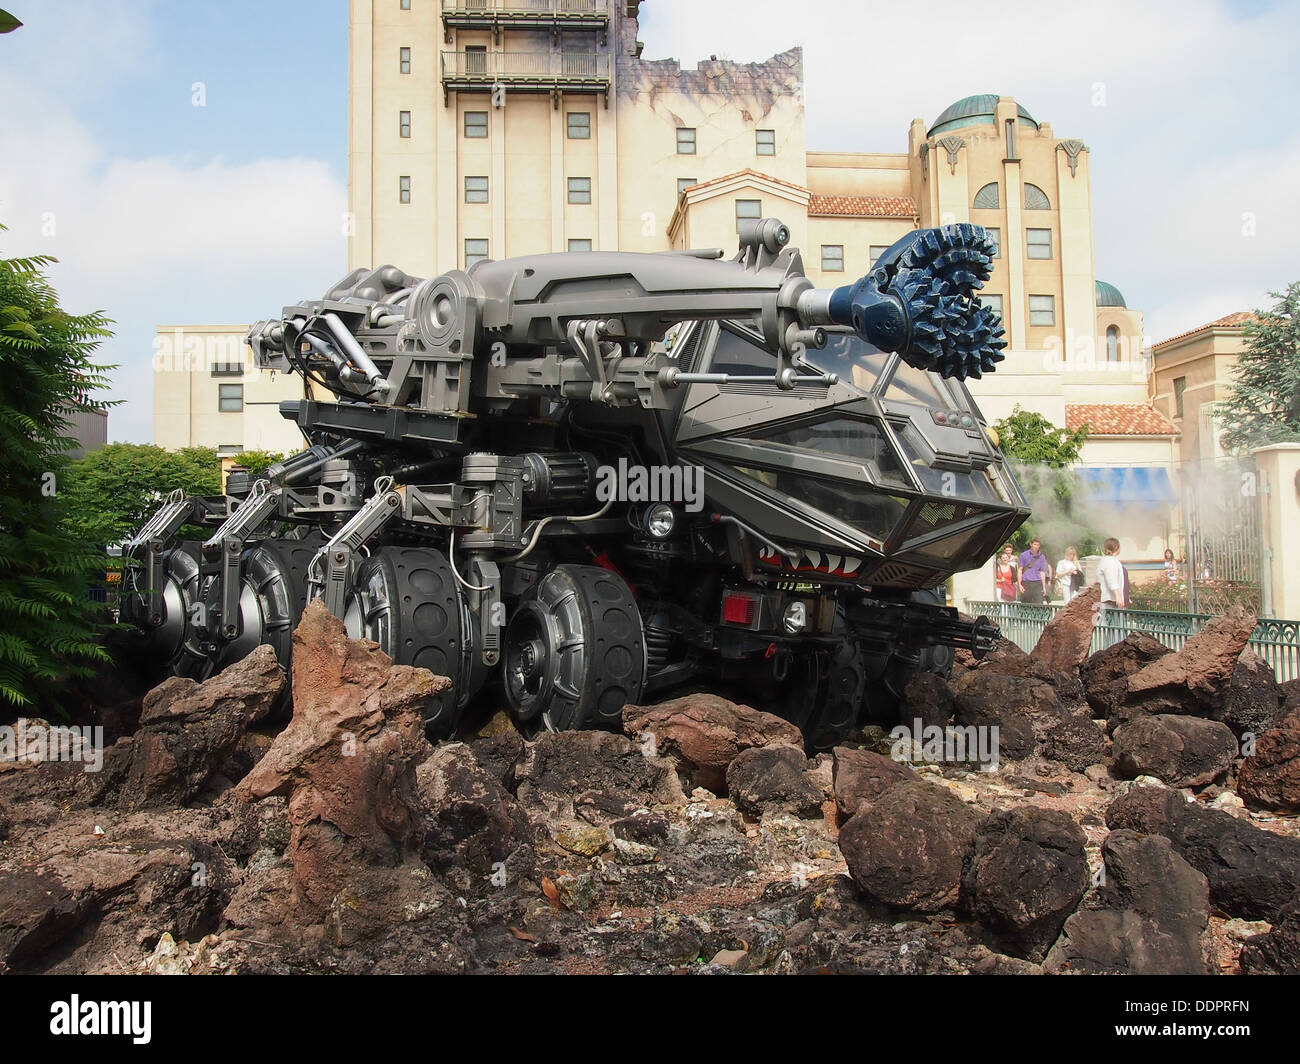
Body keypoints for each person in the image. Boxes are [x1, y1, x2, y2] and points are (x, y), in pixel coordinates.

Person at [1018, 538, 1051, 604]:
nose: (1036, 546)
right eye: (1034, 544)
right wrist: (1019, 584)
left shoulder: (1042, 557)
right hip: (1026, 582)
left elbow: (1042, 572)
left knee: (1039, 603)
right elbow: (1019, 570)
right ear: (1031, 545)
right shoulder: (1023, 555)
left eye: (1038, 545)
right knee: (1025, 604)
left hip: (1037, 582)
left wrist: (1044, 587)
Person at [1097, 537, 1126, 609]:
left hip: (1111, 600)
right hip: (1110, 600)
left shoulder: (1108, 560)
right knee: (1110, 620)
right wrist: (1118, 596)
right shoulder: (1110, 561)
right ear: (1117, 547)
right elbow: (1111, 579)